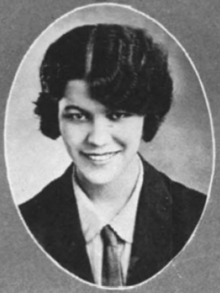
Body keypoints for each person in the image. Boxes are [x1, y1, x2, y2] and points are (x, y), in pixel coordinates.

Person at [19, 24, 206, 287]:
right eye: (77, 116)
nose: (97, 138)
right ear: (55, 116)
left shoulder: (201, 218)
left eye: (117, 114)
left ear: (148, 115)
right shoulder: (22, 228)